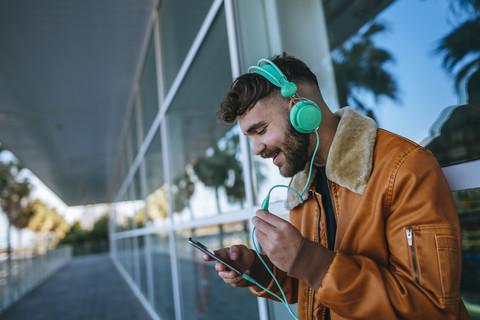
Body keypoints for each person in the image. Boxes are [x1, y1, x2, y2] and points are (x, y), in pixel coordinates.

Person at [205, 53, 469, 319]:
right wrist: (257, 270)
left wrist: (310, 260)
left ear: (301, 110)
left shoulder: (406, 168)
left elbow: (431, 309)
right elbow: (311, 285)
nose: (256, 149)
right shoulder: (303, 186)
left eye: (260, 130)